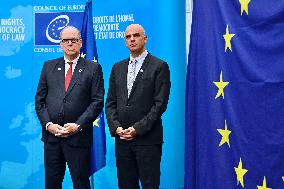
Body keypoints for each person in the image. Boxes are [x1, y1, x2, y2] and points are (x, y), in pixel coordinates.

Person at [35, 26, 104, 189]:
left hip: (78, 138)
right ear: (60, 44)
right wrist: (49, 125)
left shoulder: (93, 68)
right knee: (51, 184)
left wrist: (78, 125)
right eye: (66, 40)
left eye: (74, 40)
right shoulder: (48, 66)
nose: (70, 44)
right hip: (52, 138)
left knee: (80, 183)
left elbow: (97, 101)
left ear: (80, 43)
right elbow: (39, 101)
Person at [106, 24, 171, 189]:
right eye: (128, 37)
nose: (132, 39)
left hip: (147, 140)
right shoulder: (117, 67)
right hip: (122, 141)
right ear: (125, 42)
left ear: (145, 38)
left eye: (136, 35)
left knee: (150, 185)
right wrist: (116, 128)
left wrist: (137, 129)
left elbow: (160, 104)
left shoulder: (159, 66)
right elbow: (111, 103)